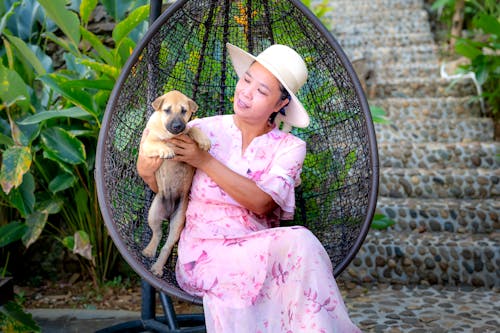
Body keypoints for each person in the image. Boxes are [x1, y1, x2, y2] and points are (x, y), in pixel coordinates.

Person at [137, 43, 360, 332]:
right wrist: (148, 157)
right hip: (204, 254)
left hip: (261, 254)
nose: (245, 92)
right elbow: (158, 181)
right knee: (300, 242)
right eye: (246, 80)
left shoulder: (290, 148)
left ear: (281, 105)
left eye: (262, 91)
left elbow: (262, 203)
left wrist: (203, 160)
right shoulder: (201, 129)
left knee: (298, 246)